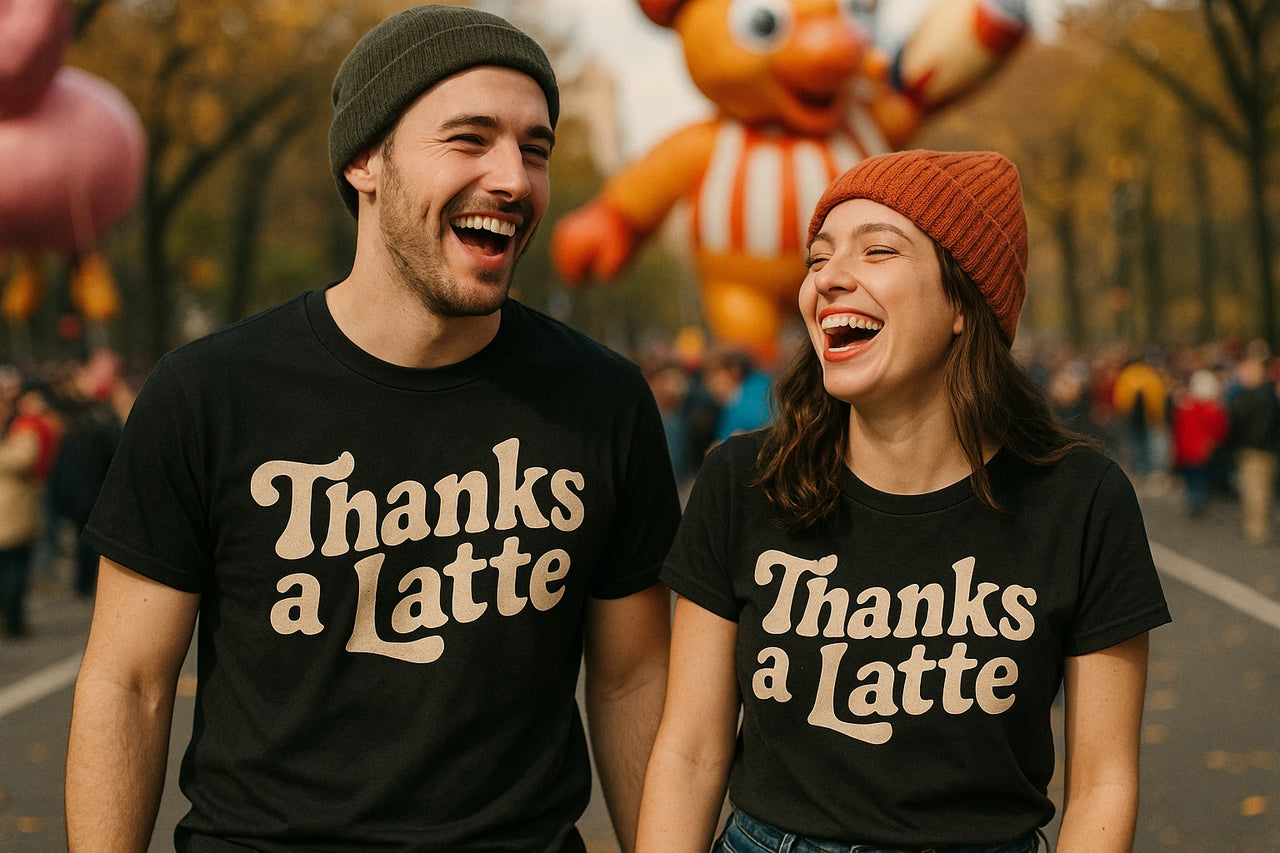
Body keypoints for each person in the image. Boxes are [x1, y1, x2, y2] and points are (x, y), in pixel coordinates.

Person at [65, 7, 680, 852]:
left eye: (534, 149)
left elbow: (633, 679)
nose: (513, 178)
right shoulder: (207, 394)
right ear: (365, 160)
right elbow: (128, 683)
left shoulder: (602, 400)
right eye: (470, 139)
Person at [636, 150, 1172, 853]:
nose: (828, 277)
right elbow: (689, 751)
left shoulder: (1083, 500)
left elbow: (1103, 783)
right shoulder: (742, 480)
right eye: (818, 257)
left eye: (878, 250)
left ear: (964, 301)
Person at [0, 379, 60, 638]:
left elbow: (30, 459)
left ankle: (13, 618)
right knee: (13, 572)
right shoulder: (22, 430)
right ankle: (12, 620)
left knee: (15, 569)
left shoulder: (22, 428)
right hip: (12, 516)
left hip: (15, 515)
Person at [1226, 340, 1280, 545]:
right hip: (1268, 448)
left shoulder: (1247, 397)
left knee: (1254, 490)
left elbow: (1236, 422)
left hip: (1252, 448)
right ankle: (1260, 527)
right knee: (1264, 489)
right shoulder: (1271, 394)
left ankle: (1257, 529)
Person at [1170, 369, 1229, 517]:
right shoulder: (1210, 409)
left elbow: (1177, 430)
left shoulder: (1185, 407)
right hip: (1201, 451)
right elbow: (1219, 431)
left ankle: (1194, 503)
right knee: (1199, 480)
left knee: (1191, 479)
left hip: (1186, 451)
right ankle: (1197, 504)